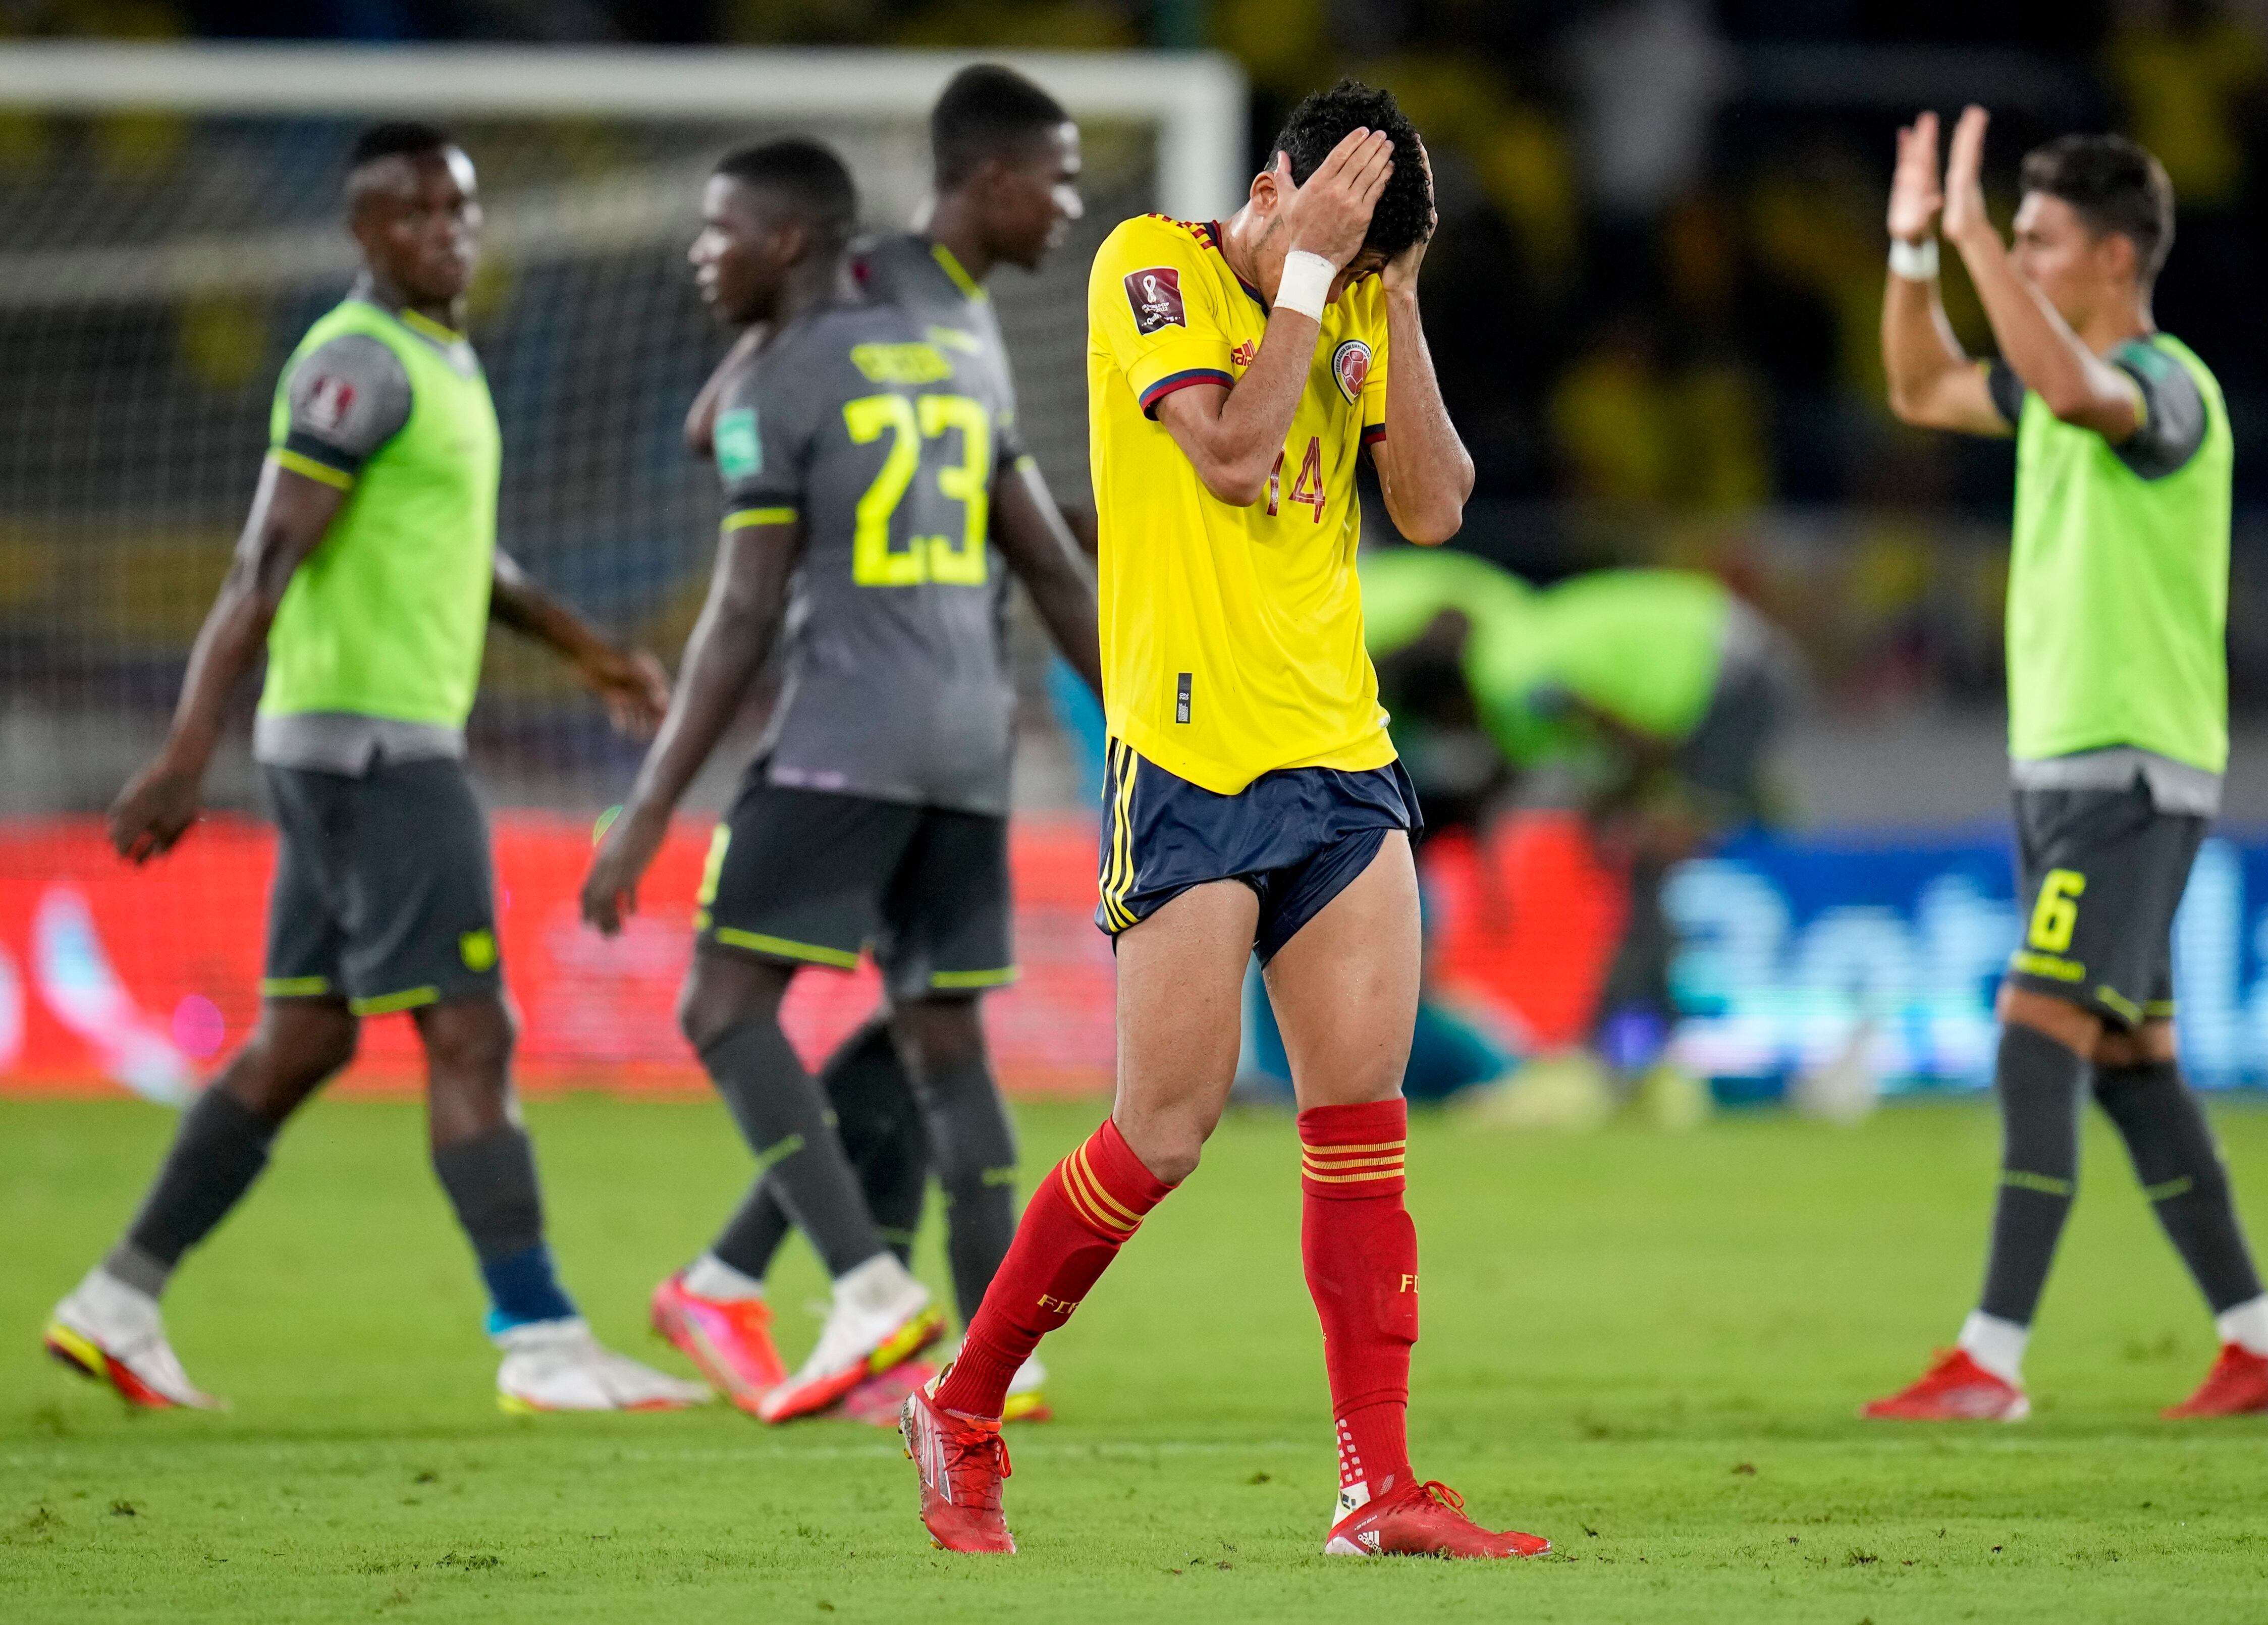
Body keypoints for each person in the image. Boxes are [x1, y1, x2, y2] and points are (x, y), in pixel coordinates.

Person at [897, 80, 1549, 1560]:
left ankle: (1373, 1487)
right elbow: (1238, 453)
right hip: (1187, 761)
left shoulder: (1360, 296)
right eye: (1329, 237)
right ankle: (960, 1402)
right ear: (1269, 189)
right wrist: (1311, 279)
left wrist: (1396, 297)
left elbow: (1434, 504)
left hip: (1338, 759)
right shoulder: (1151, 265)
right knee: (1161, 1132)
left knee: (1360, 1127)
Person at [42, 122, 704, 1415]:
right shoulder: (356, 363)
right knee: (470, 1032)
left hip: (357, 743)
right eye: (414, 214)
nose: (445, 233)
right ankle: (543, 1340)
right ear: (362, 232)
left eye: (458, 210)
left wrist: (590, 651)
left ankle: (116, 1300)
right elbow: (260, 562)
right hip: (373, 748)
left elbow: (468, 556)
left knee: (304, 1037)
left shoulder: (435, 359)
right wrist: (183, 751)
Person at [578, 126, 1099, 1428]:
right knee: (940, 1036)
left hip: (840, 742)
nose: (700, 256)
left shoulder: (783, 382)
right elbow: (1045, 564)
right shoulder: (957, 352)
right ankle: (1002, 1356)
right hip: (969, 740)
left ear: (790, 242)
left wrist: (648, 808)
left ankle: (865, 1288)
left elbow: (743, 610)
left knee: (722, 1007)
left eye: (720, 233)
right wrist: (1144, 720)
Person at [1866, 109, 2268, 1420]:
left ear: (2112, 258)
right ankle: (2259, 1347)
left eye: (2033, 239)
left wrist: (1962, 240)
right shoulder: (2050, 392)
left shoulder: (2166, 389)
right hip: (2059, 768)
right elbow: (1917, 387)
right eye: (2003, 236)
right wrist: (1910, 257)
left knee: (2032, 1038)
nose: (2011, 255)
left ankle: (1990, 1359)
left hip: (2130, 776)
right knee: (2130, 1068)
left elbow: (2074, 388)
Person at [1466, 568, 1799, 1082]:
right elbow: (1622, 742)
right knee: (1645, 864)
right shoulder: (1533, 650)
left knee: (1657, 854)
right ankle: (1653, 1039)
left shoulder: (1511, 670)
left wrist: (1616, 804)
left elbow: (1633, 737)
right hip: (1716, 674)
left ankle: (1659, 1041)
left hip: (1731, 675)